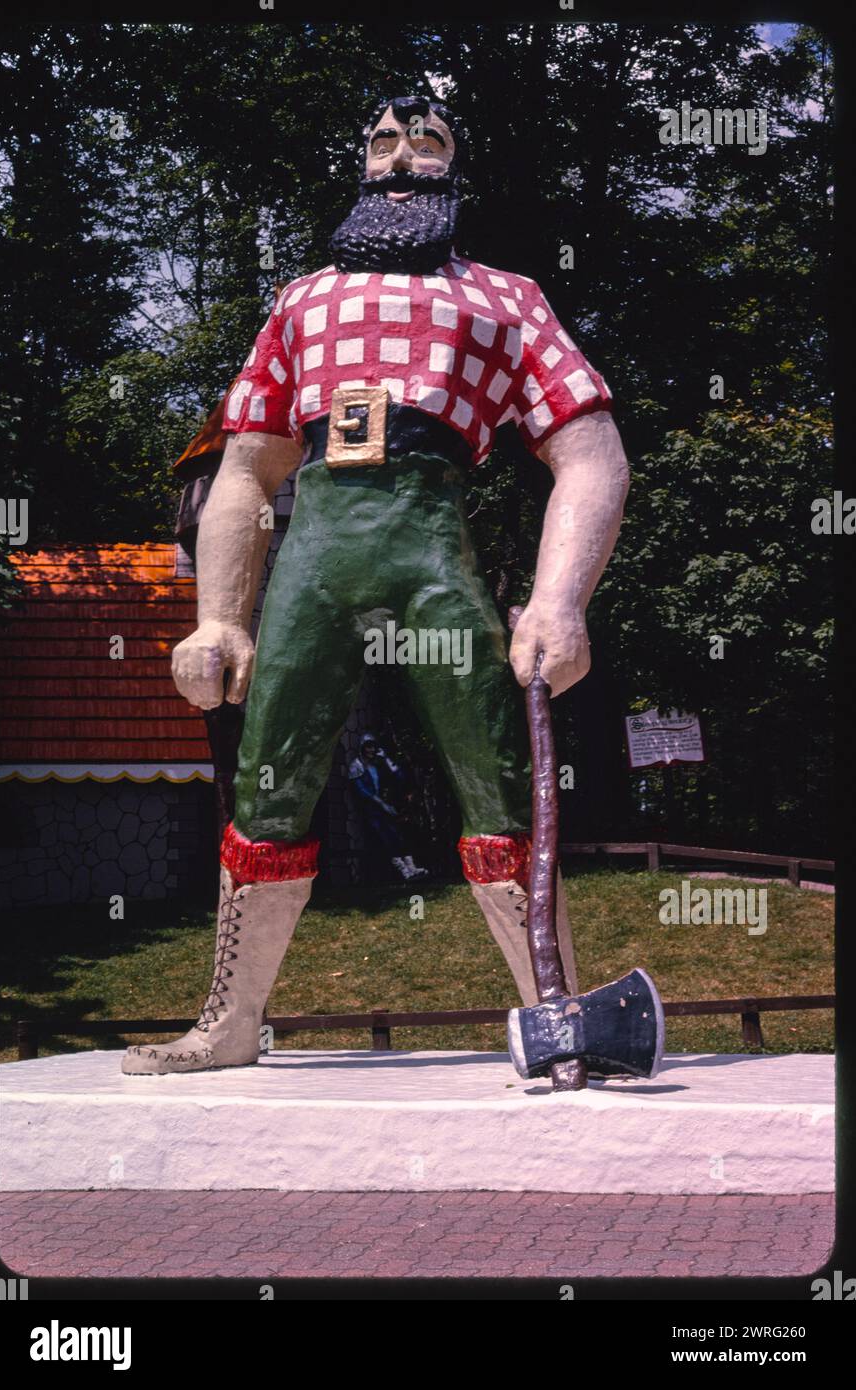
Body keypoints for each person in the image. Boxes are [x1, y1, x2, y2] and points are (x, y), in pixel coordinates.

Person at [123, 94, 630, 1075]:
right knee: (269, 779)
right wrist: (221, 619)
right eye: (383, 142)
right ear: (362, 163)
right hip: (315, 559)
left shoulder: (507, 297)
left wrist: (560, 599)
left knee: (500, 780)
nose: (401, 159)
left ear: (455, 166)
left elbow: (593, 453)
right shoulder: (301, 301)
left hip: (435, 557)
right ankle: (230, 1021)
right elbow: (245, 469)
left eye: (427, 141)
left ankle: (556, 1019)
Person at [348, 733, 429, 882]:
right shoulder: (356, 766)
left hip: (387, 807)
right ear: (362, 748)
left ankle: (411, 867)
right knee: (387, 838)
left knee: (399, 835)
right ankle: (403, 871)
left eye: (373, 746)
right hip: (371, 809)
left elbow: (399, 776)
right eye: (368, 747)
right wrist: (382, 804)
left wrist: (386, 759)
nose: (371, 750)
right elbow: (363, 790)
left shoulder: (378, 764)